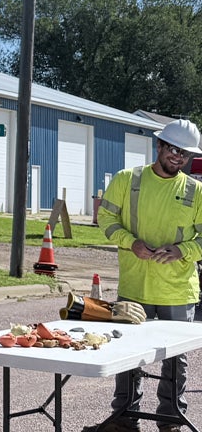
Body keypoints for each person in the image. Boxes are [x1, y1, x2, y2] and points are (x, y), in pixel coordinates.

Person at [84, 118, 202, 432]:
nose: (179, 157)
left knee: (176, 361)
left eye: (185, 153)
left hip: (177, 291)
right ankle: (124, 420)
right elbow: (106, 218)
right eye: (173, 149)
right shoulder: (127, 180)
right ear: (159, 145)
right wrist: (131, 242)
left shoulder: (196, 190)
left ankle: (171, 421)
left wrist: (182, 251)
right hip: (135, 287)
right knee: (127, 357)